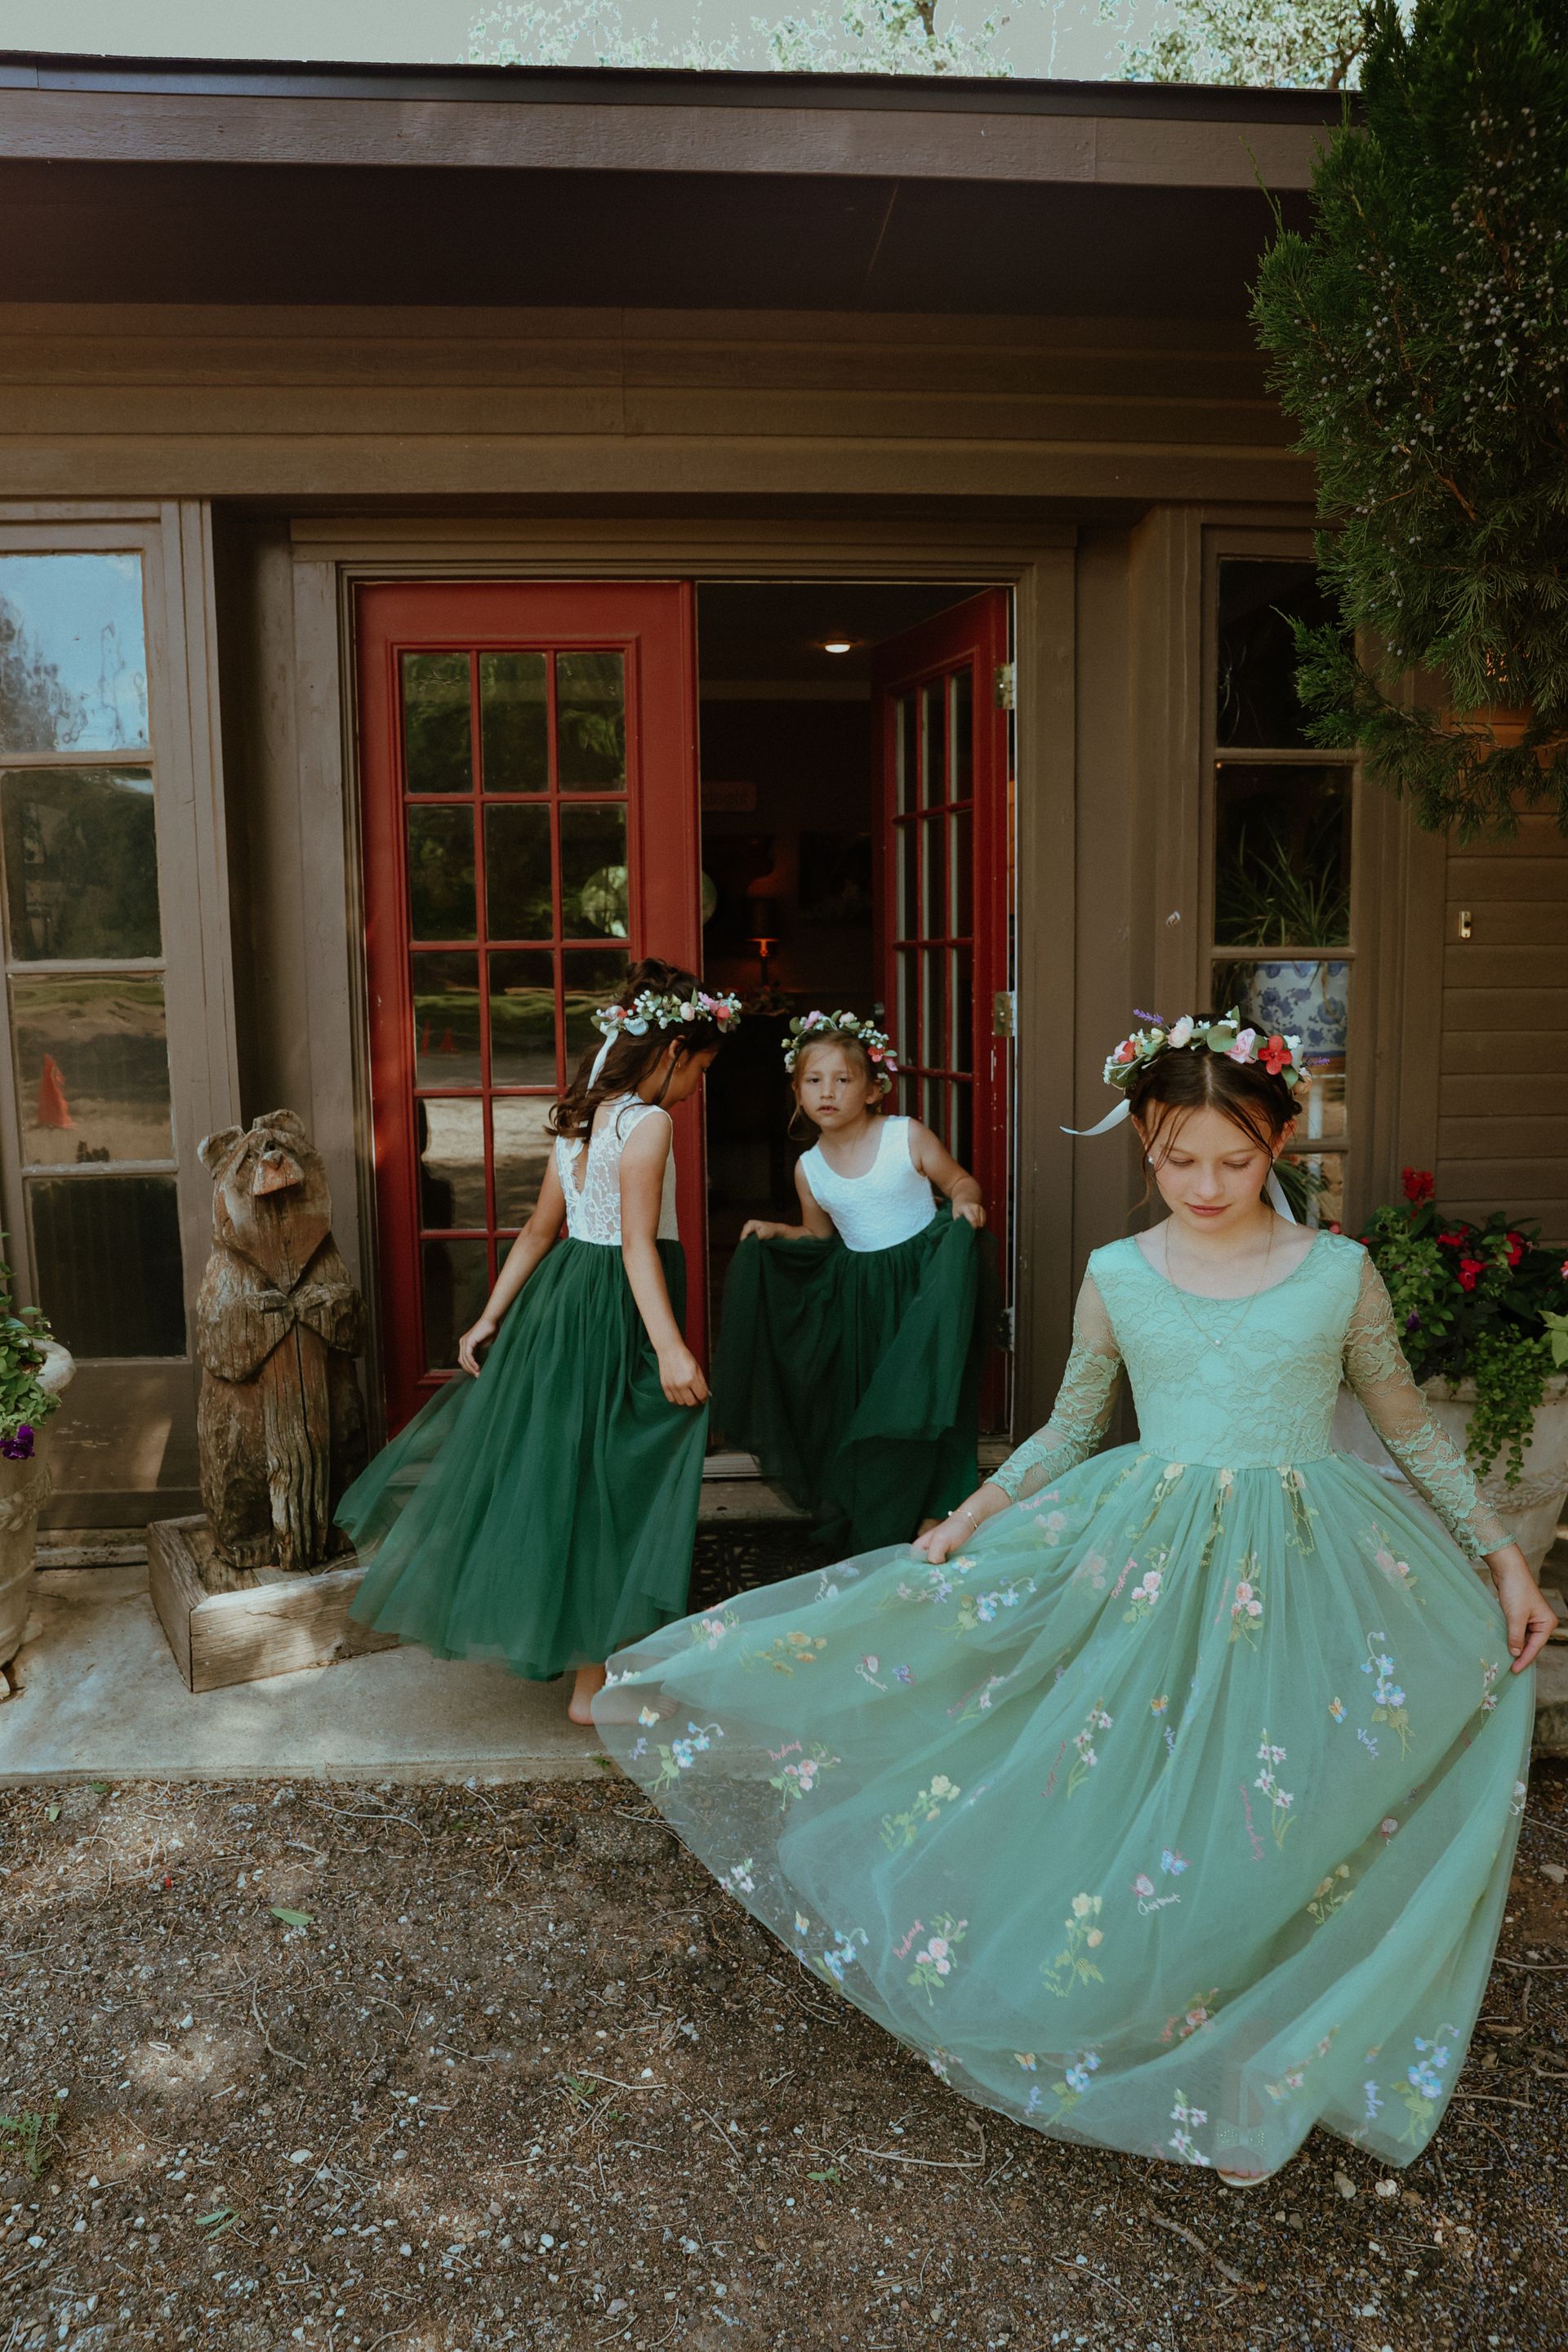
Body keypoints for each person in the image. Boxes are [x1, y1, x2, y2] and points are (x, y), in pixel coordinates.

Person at [595, 1009, 1555, 2179]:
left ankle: (1261, 1996)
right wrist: (969, 1516)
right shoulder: (1119, 1274)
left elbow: (1406, 1425)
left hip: (1306, 1558)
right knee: (1141, 1773)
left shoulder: (1338, 1275)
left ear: (1285, 1140)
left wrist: (1502, 1557)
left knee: (1274, 1764)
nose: (1206, 1184)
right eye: (1178, 1158)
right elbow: (1065, 1429)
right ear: (1145, 1141)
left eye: (1237, 1161)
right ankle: (1137, 1989)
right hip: (1150, 1554)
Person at [341, 961, 738, 1725]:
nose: (696, 1088)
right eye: (701, 1070)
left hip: (560, 1306)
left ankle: (595, 1669)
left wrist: (493, 1313)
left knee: (576, 1476)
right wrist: (671, 1349)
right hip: (616, 1311)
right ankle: (595, 1684)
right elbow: (635, 1246)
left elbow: (537, 1228)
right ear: (672, 1052)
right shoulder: (649, 1124)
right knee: (614, 1481)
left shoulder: (582, 1116)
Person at [712, 1009, 997, 1549]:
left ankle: (938, 1507)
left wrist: (964, 1204)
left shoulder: (904, 1136)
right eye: (814, 1081)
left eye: (843, 1080)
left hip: (923, 1285)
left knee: (929, 1396)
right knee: (877, 1404)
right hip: (861, 1299)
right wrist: (778, 1232)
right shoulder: (809, 1169)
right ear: (797, 1092)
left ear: (873, 1090)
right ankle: (882, 1507)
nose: (828, 1092)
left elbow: (960, 1180)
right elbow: (820, 1237)